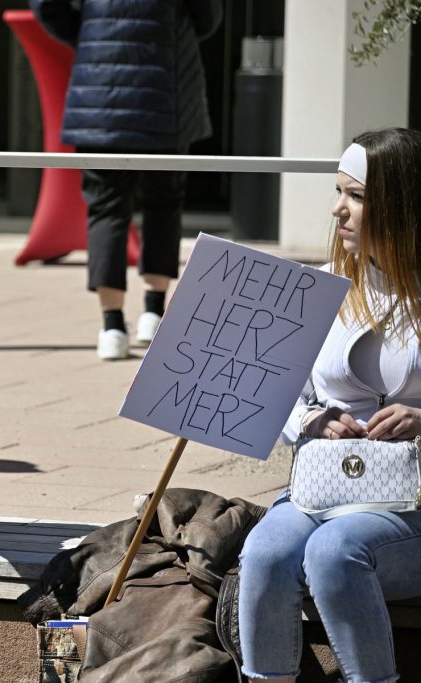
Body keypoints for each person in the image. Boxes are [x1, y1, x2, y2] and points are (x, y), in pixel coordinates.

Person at [238, 128, 421, 683]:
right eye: (339, 192)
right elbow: (277, 403)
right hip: (326, 486)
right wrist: (310, 421)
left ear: (400, 205)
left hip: (411, 501)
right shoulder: (316, 291)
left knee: (333, 551)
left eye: (357, 196)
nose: (339, 210)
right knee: (266, 552)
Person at [30, 0, 222, 360]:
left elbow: (47, 6)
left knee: (106, 207)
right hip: (167, 85)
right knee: (165, 201)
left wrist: (88, 33)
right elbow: (207, 17)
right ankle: (153, 310)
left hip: (101, 85)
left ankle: (112, 326)